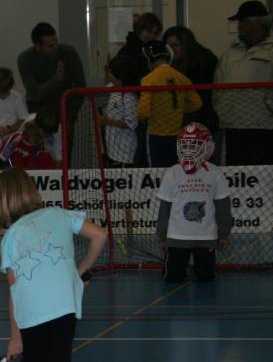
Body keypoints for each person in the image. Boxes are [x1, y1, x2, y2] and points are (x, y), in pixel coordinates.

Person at [0, 167, 106, 362]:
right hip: (64, 309)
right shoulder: (59, 214)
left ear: (3, 202)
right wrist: (80, 270)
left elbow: (14, 292)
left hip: (32, 315)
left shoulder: (11, 237)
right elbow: (100, 236)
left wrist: (15, 337)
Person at [213, 0, 273, 166]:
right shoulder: (230, 52)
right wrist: (222, 107)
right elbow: (218, 84)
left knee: (262, 174)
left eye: (244, 21)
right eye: (239, 22)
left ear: (259, 23)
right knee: (235, 175)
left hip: (263, 126)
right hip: (232, 125)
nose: (240, 26)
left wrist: (268, 106)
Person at [156, 122, 233, 283]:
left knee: (206, 278)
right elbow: (165, 208)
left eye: (194, 145)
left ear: (207, 147)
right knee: (172, 278)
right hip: (177, 237)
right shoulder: (172, 173)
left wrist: (223, 234)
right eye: (185, 145)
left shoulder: (215, 173)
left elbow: (223, 207)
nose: (189, 150)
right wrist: (162, 236)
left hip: (206, 237)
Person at [16, 22, 86, 163]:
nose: (55, 48)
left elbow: (80, 89)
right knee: (40, 158)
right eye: (50, 46)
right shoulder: (25, 59)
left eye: (56, 43)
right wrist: (56, 80)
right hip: (40, 117)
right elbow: (34, 93)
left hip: (66, 114)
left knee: (64, 158)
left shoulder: (69, 53)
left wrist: (70, 117)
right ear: (37, 46)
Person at [138, 41, 202, 168]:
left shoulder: (149, 79)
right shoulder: (182, 78)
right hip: (176, 133)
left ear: (149, 59)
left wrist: (142, 117)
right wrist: (179, 109)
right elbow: (196, 103)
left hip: (155, 133)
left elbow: (143, 111)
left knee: (157, 171)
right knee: (175, 170)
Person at [163, 26, 218, 131]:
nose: (171, 50)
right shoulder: (165, 66)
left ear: (186, 45)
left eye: (175, 45)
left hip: (202, 120)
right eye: (168, 46)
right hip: (178, 121)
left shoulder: (204, 61)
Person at [100, 59, 139, 168]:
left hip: (125, 153)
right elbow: (107, 85)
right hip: (112, 149)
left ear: (119, 75)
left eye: (111, 73)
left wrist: (107, 121)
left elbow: (132, 123)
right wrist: (106, 71)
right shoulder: (114, 90)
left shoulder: (129, 96)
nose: (109, 75)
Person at [111, 13, 162, 87]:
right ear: (139, 29)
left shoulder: (149, 48)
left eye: (155, 33)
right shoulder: (130, 50)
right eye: (149, 32)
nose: (152, 36)